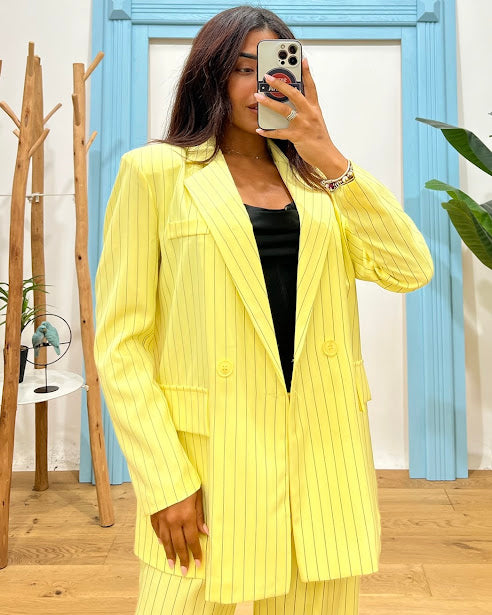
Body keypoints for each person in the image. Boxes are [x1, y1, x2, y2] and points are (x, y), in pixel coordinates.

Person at [93, 5, 434, 615]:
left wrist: (325, 150)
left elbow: (409, 268)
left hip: (321, 445)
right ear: (210, 75)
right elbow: (123, 343)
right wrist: (164, 478)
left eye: (279, 69)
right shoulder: (156, 173)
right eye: (244, 68)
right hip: (211, 451)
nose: (262, 85)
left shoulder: (320, 184)